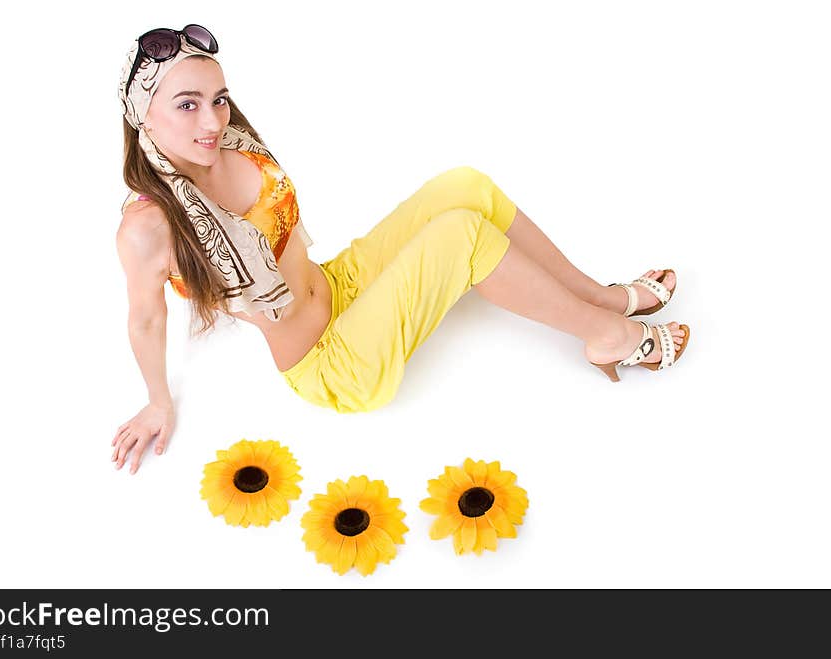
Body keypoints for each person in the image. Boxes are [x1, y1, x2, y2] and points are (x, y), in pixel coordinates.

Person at [111, 24, 691, 474]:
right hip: (332, 365)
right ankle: (607, 336)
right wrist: (157, 402)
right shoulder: (148, 227)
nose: (212, 120)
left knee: (464, 186)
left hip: (337, 283)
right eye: (187, 104)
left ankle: (599, 297)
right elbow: (144, 319)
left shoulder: (227, 143)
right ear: (142, 115)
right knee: (461, 235)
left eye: (219, 98)